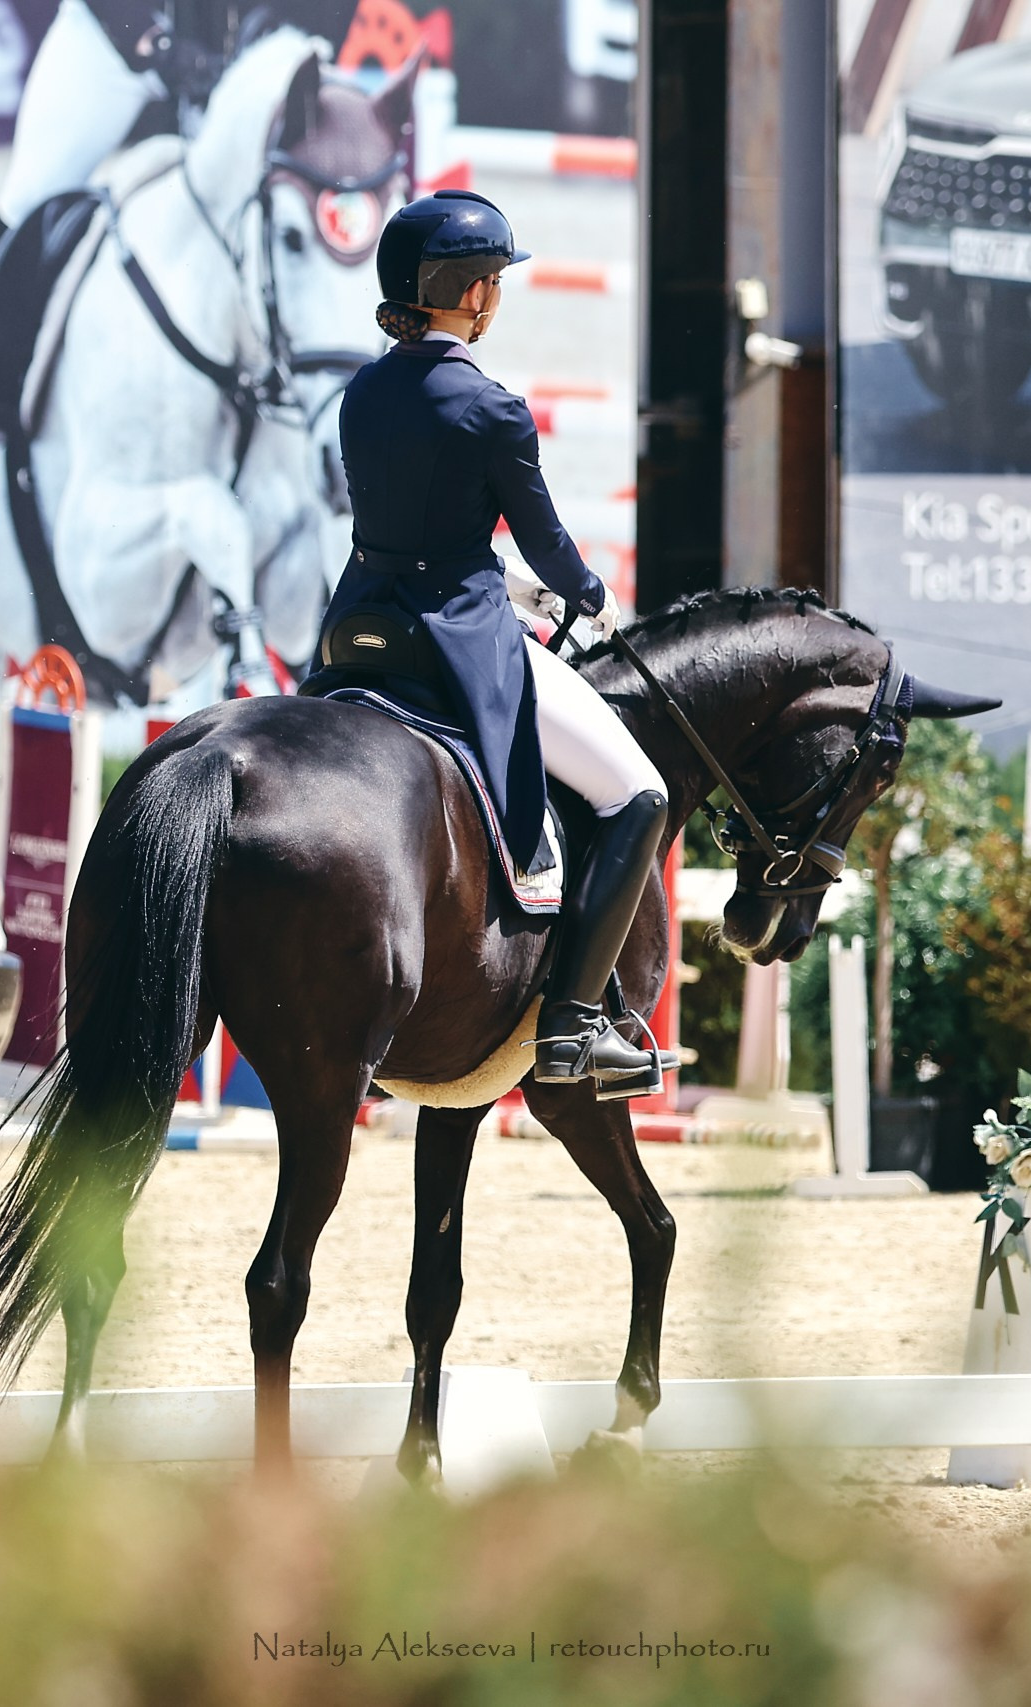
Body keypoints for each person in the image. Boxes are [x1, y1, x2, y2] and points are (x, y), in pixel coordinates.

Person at [315, 189, 671, 1097]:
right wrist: (586, 592)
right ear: (472, 295)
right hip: (459, 638)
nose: (495, 297)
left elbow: (409, 529)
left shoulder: (360, 393)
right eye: (492, 283)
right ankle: (572, 1031)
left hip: (363, 625)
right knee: (638, 795)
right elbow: (546, 541)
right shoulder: (491, 408)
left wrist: (506, 576)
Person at [0, 0, 354, 600]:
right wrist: (159, 46)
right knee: (28, 206)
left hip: (243, 58)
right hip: (121, 39)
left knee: (291, 225)